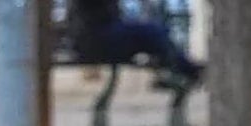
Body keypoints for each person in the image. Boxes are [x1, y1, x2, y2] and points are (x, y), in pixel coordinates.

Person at [70, 0, 202, 87]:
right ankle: (185, 69)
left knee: (153, 32)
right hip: (98, 41)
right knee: (153, 32)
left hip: (93, 41)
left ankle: (176, 70)